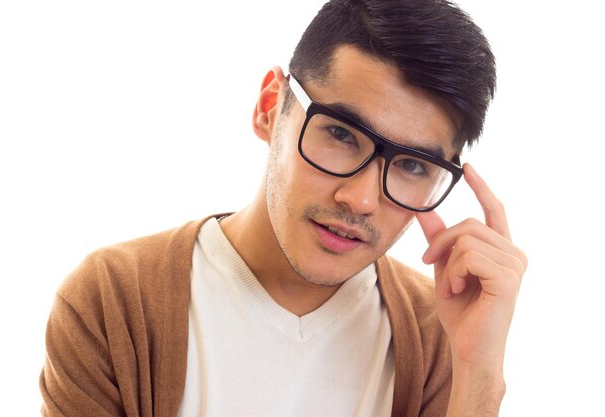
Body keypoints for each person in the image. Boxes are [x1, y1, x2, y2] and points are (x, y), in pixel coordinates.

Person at [39, 0, 527, 416]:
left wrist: (479, 374)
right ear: (270, 107)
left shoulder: (436, 332)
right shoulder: (113, 300)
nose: (359, 199)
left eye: (412, 166)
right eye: (340, 134)